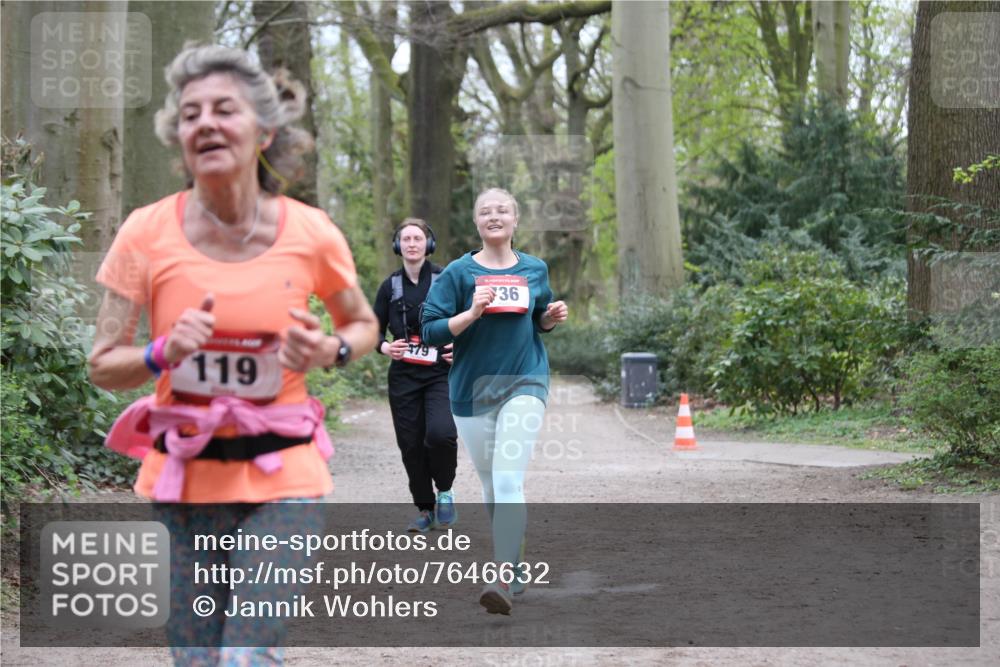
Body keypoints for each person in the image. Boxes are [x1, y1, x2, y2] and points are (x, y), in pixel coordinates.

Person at [88, 44, 378, 665]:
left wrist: (328, 349)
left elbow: (363, 325)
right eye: (190, 115)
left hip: (286, 474)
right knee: (197, 658)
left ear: (264, 131)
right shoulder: (145, 232)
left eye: (224, 109)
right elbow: (103, 362)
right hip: (184, 479)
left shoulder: (311, 231)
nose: (205, 124)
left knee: (245, 655)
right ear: (179, 138)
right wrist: (162, 352)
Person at [421, 188, 568, 615]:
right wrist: (470, 313)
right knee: (490, 484)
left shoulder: (535, 269)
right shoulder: (457, 273)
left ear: (515, 219)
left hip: (525, 380)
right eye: (486, 211)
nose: (494, 216)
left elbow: (536, 319)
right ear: (477, 222)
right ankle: (515, 560)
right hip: (471, 388)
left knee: (506, 478)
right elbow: (430, 330)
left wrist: (548, 318)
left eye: (502, 210)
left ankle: (501, 577)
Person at [373, 219, 459, 533]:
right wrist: (384, 347)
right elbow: (372, 329)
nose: (411, 243)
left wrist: (458, 346)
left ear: (428, 244)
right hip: (404, 377)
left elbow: (469, 318)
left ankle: (446, 489)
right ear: (398, 246)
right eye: (406, 239)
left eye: (417, 238)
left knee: (440, 434)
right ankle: (425, 509)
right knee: (411, 445)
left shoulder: (445, 280)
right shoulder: (389, 286)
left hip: (440, 372)